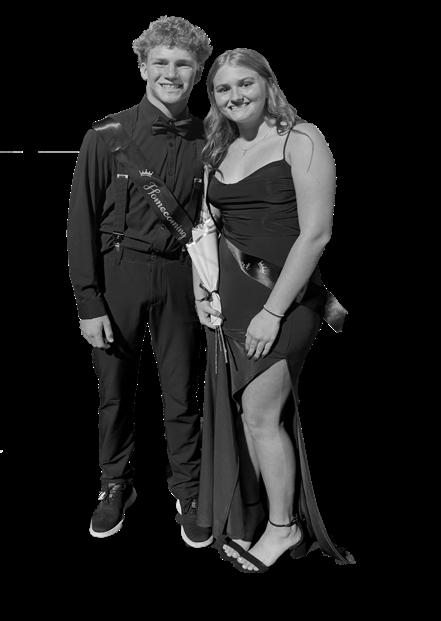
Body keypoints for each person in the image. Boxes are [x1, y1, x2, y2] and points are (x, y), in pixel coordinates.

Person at [193, 48, 355, 572]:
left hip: (281, 301)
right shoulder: (219, 146)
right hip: (229, 304)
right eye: (223, 88)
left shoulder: (302, 139)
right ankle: (262, 513)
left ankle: (284, 529)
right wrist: (202, 288)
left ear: (268, 84)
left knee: (262, 416)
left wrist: (273, 312)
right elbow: (209, 225)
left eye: (246, 83)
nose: (235, 95)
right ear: (213, 97)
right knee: (247, 413)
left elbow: (316, 235)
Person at [67, 16, 214, 547]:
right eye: (161, 62)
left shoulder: (213, 138)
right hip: (119, 275)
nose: (171, 73)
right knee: (115, 393)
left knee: (183, 392)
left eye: (183, 64)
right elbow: (81, 223)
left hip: (180, 276)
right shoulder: (105, 135)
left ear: (198, 72)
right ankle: (115, 485)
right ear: (142, 67)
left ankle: (189, 489)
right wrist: (89, 303)